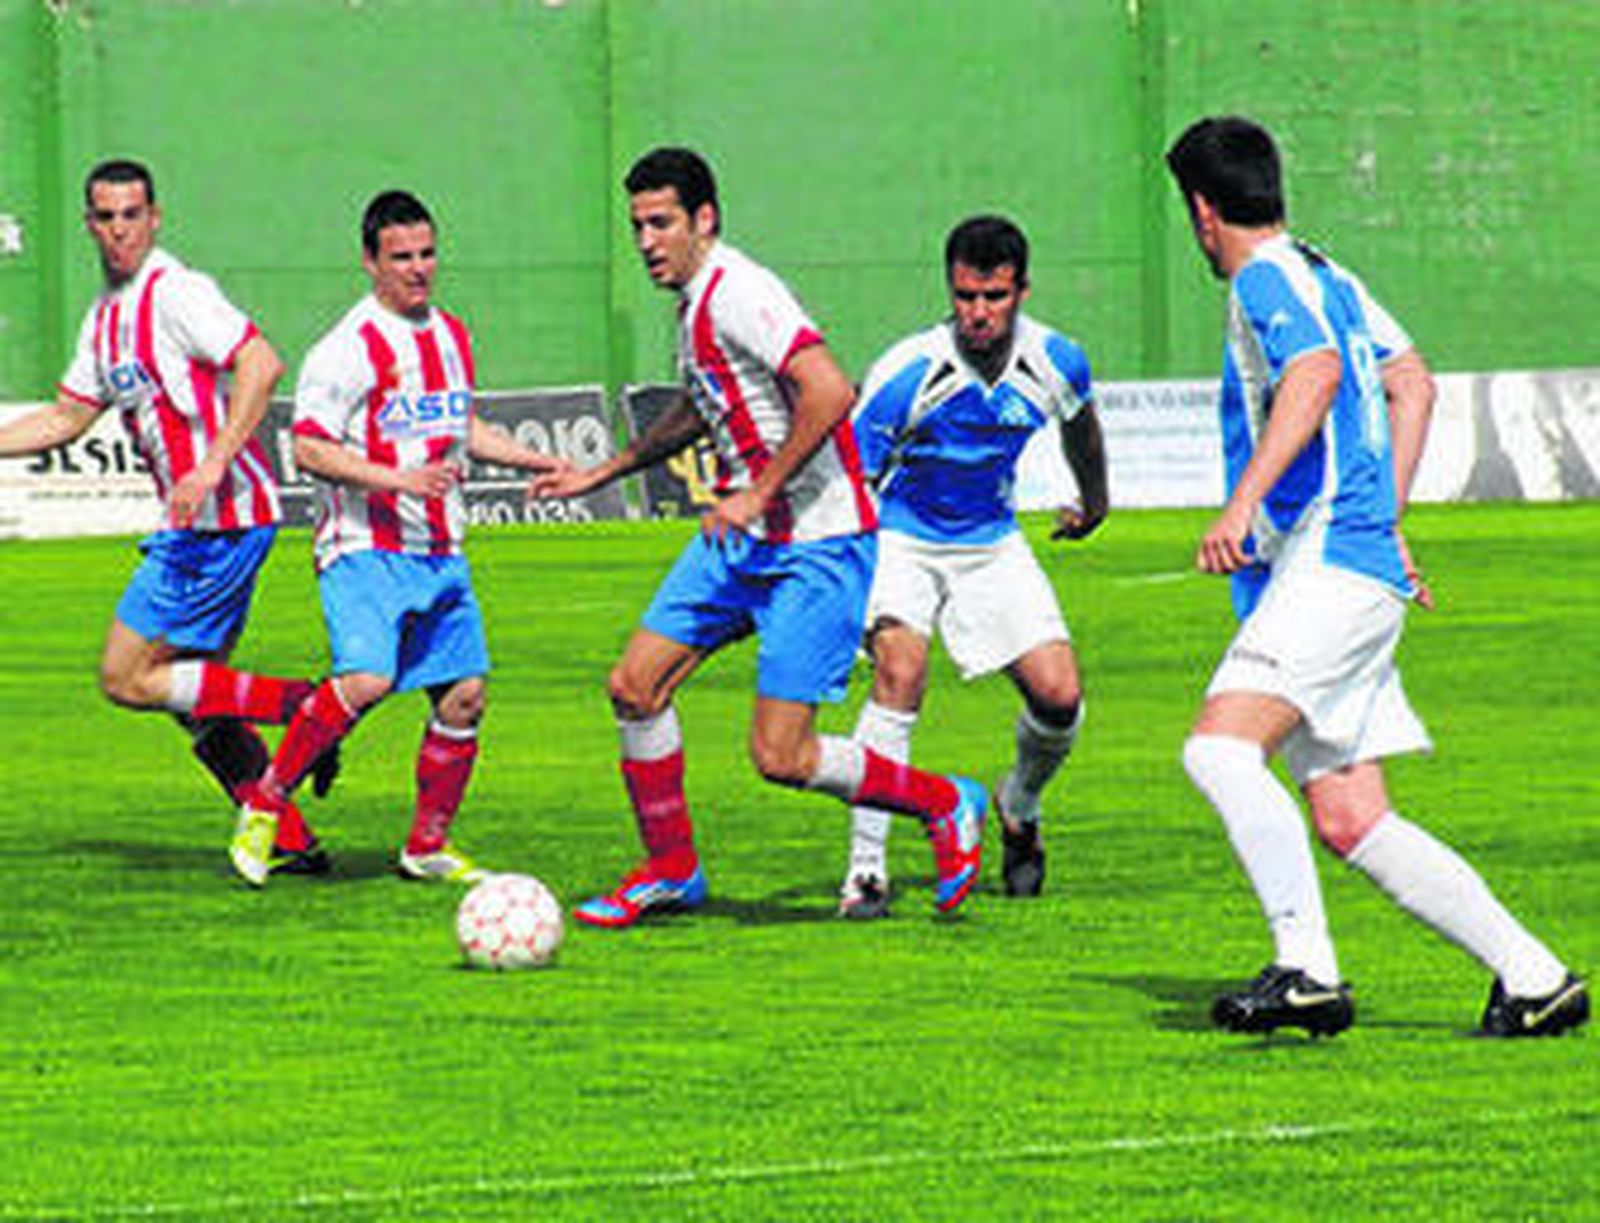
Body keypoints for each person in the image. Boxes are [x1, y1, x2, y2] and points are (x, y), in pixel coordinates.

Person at [1165, 116, 1588, 1037]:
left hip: (1327, 563)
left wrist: (1243, 502)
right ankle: (1534, 974)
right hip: (1354, 562)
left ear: (1202, 211)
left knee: (1218, 749)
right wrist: (1386, 521)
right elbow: (1415, 383)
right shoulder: (1331, 273)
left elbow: (1314, 375)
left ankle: (1306, 967)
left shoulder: (1264, 277)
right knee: (1353, 814)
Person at [534, 147, 987, 927]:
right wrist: (601, 471)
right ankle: (671, 868)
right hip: (746, 538)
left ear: (704, 220)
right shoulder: (693, 303)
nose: (646, 240)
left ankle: (945, 802)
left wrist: (759, 489)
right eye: (637, 224)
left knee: (781, 756)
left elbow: (829, 389)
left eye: (662, 222)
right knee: (634, 686)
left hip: (815, 541)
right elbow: (700, 404)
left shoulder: (741, 290)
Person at [0, 159, 333, 875]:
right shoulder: (107, 318)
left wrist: (212, 462)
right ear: (90, 224)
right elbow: (66, 416)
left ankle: (308, 708)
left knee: (125, 675)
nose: (119, 229)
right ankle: (290, 836)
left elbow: (262, 362)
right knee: (192, 692)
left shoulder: (177, 292)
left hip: (219, 519)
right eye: (105, 216)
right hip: (202, 524)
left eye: (131, 214)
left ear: (154, 218)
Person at [230, 190, 566, 887]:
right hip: (363, 548)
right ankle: (265, 800)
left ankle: (426, 845)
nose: (418, 269)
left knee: (464, 696)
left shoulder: (451, 334)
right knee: (368, 679)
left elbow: (461, 428)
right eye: (401, 257)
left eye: (427, 253)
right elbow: (311, 448)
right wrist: (398, 480)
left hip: (440, 549)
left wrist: (537, 460)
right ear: (370, 261)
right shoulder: (347, 348)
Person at [837, 215, 1108, 919]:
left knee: (1060, 697)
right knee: (900, 675)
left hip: (991, 541)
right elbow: (853, 479)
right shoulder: (907, 371)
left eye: (993, 296)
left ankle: (1018, 806)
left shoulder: (1057, 359)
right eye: (964, 297)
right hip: (903, 536)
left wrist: (1096, 500)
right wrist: (845, 573)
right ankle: (866, 871)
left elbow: (1081, 425)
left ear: (1021, 290)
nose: (978, 313)